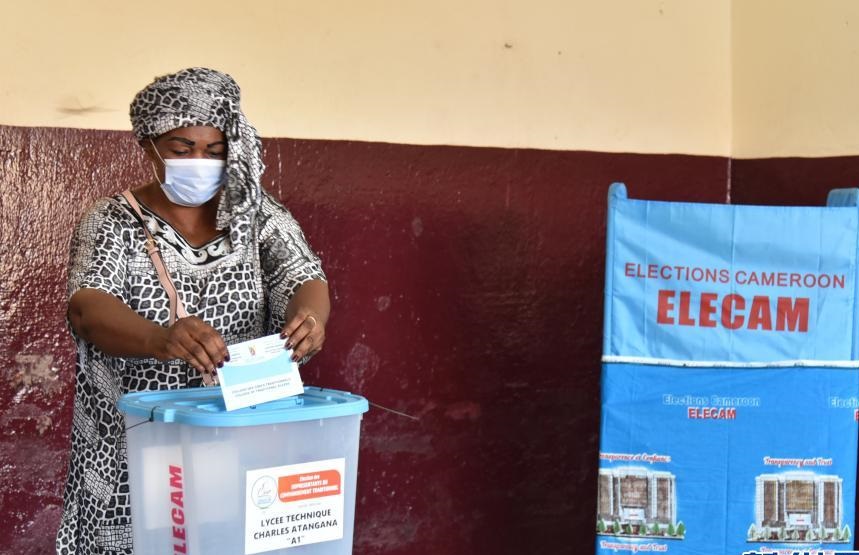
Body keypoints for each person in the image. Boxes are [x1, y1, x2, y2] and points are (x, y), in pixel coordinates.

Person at [55, 67, 330, 555]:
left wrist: (310, 319)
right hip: (135, 444)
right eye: (181, 149)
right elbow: (88, 308)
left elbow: (303, 276)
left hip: (240, 435)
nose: (199, 162)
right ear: (149, 145)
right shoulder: (111, 221)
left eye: (214, 149)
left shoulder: (257, 215)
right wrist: (159, 339)